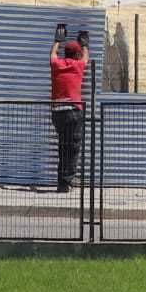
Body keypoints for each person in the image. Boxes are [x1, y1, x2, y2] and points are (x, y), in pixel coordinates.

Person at [49, 28, 89, 193]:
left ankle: (61, 183)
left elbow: (52, 55)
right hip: (73, 111)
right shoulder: (79, 65)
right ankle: (66, 183)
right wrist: (85, 43)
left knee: (62, 146)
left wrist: (58, 40)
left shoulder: (57, 64)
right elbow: (86, 57)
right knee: (72, 148)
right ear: (77, 55)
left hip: (58, 112)